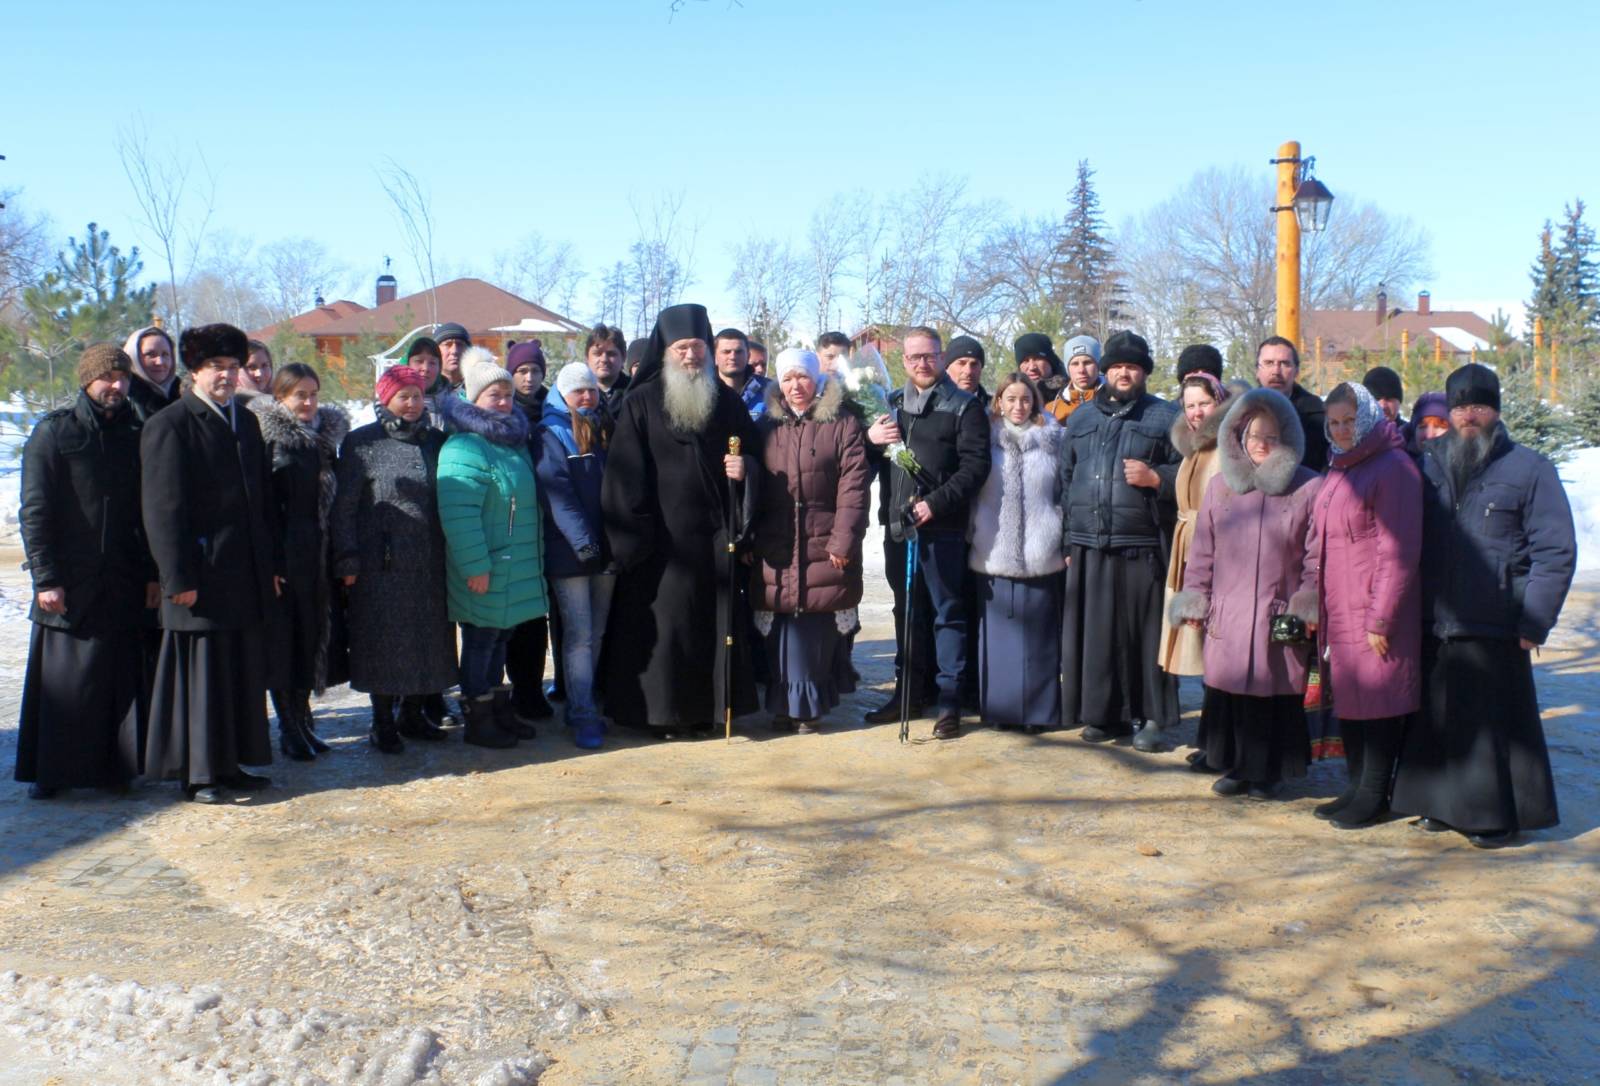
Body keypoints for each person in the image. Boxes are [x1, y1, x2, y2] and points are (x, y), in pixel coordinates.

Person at [1390, 364, 1576, 848]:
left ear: (1495, 409)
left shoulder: (1530, 468)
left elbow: (1555, 551)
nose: (1468, 415)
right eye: (1459, 406)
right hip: (1435, 617)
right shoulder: (1426, 462)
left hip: (1496, 619)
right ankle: (1436, 805)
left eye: (1478, 406)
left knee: (1491, 729)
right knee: (1437, 719)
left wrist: (1536, 619)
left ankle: (1492, 816)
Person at [601, 303, 760, 738]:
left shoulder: (726, 402)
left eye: (697, 347)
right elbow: (623, 476)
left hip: (712, 542)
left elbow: (756, 455)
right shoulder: (639, 403)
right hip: (659, 545)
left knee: (706, 629)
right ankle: (661, 716)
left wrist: (746, 468)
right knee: (666, 634)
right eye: (681, 348)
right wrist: (635, 537)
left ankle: (704, 712)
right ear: (666, 351)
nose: (691, 355)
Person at [141, 324, 280, 804]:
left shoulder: (247, 422)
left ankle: (231, 762)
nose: (226, 376)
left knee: (238, 674)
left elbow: (260, 501)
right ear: (195, 372)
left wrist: (270, 565)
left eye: (232, 367)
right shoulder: (171, 424)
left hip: (243, 575)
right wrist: (178, 577)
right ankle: (199, 773)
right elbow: (162, 510)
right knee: (203, 681)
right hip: (200, 577)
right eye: (215, 368)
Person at [15, 344, 156, 798]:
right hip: (69, 583)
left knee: (116, 681)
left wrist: (151, 574)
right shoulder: (54, 433)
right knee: (66, 685)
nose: (116, 386)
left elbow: (148, 512)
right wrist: (46, 579)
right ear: (86, 380)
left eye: (122, 378)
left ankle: (115, 770)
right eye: (107, 378)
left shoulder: (136, 433)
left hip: (122, 579)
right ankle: (52, 773)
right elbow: (35, 511)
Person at [1170, 387, 1320, 798]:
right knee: (1230, 691)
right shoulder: (1221, 487)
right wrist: (1195, 598)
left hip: (1278, 612)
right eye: (1255, 437)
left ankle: (1269, 771)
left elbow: (1315, 556)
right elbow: (1203, 550)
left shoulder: (1308, 488)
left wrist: (1307, 607)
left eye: (1272, 439)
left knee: (1273, 692)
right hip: (1229, 611)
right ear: (1238, 436)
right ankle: (1235, 765)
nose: (1262, 447)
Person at [862, 325, 991, 739]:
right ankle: (907, 694)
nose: (922, 363)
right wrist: (870, 439)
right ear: (903, 361)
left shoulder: (963, 406)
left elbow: (976, 468)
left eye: (929, 356)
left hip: (943, 529)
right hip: (900, 527)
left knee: (947, 615)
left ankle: (948, 701)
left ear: (940, 357)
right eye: (914, 357)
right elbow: (869, 466)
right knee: (906, 613)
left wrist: (934, 504)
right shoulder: (891, 406)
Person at [1058, 331, 1181, 752]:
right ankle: (1105, 714)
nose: (1123, 372)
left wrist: (1157, 479)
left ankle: (1151, 717)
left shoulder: (1165, 417)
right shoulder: (1081, 419)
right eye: (1116, 366)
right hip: (1089, 542)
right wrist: (1066, 542)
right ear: (1105, 371)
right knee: (1099, 635)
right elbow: (1065, 481)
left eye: (1132, 366)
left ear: (1143, 371)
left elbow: (1190, 474)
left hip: (1142, 541)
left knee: (1145, 636)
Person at [1308, 381, 1422, 828]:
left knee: (1380, 704)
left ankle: (1375, 794)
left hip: (1376, 611)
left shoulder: (1393, 468)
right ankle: (1355, 787)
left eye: (1348, 421)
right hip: (1341, 605)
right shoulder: (1341, 466)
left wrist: (1382, 616)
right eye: (1333, 422)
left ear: (1370, 416)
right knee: (1353, 703)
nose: (1339, 430)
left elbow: (1399, 551)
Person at [332, 365, 458, 753]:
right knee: (383, 643)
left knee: (428, 639)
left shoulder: (436, 441)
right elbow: (344, 508)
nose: (412, 404)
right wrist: (347, 558)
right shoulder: (361, 443)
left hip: (431, 560)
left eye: (418, 396)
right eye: (403, 396)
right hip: (381, 563)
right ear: (385, 399)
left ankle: (414, 713)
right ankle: (382, 721)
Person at [750, 348, 870, 733]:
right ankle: (782, 703)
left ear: (816, 380)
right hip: (777, 543)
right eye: (787, 379)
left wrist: (843, 541)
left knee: (813, 627)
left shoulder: (843, 423)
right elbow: (755, 487)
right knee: (780, 626)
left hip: (823, 543)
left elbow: (854, 488)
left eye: (802, 377)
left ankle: (808, 706)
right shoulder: (765, 427)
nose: (794, 386)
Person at [435, 348, 550, 748]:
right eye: (493, 396)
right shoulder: (464, 446)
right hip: (486, 565)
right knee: (482, 642)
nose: (502, 402)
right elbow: (459, 515)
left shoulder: (510, 442)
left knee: (501, 639)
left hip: (512, 562)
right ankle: (477, 718)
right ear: (473, 398)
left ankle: (499, 710)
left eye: (506, 395)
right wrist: (475, 566)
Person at [248, 363, 351, 761]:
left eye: (313, 394)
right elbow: (263, 508)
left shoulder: (323, 441)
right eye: (299, 395)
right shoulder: (269, 441)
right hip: (286, 557)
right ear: (280, 399)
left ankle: (304, 720)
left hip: (318, 555)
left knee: (311, 638)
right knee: (284, 643)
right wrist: (272, 562)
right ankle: (289, 727)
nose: (307, 402)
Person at [967, 372, 1065, 733]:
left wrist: (1059, 529)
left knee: (1039, 639)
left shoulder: (1055, 439)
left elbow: (1063, 491)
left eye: (1025, 399)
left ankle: (1039, 713)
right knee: (999, 639)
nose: (1018, 406)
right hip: (993, 549)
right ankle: (1001, 710)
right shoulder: (985, 440)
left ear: (1035, 402)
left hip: (1042, 551)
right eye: (1010, 399)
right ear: (998, 402)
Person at [536, 363, 616, 750]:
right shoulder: (550, 433)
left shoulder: (603, 428)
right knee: (579, 635)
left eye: (591, 391)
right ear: (562, 395)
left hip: (605, 550)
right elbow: (558, 495)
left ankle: (585, 703)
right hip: (571, 553)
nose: (586, 397)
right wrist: (585, 543)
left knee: (597, 632)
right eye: (578, 391)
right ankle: (582, 712)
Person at [1157, 372, 1231, 752]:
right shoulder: (1194, 447)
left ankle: (1218, 741)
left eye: (1204, 403)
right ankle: (1211, 739)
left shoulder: (1227, 447)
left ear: (1219, 402)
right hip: (1188, 550)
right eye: (1190, 405)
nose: (1197, 411)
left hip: (1216, 556)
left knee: (1216, 649)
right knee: (1202, 649)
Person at [504, 339, 557, 726]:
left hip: (552, 522)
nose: (528, 378)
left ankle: (535, 688)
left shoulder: (554, 410)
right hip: (516, 524)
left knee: (540, 616)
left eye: (534, 371)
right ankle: (516, 691)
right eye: (521, 371)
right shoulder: (505, 414)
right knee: (518, 615)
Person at [943, 334, 989, 709]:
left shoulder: (995, 406)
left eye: (974, 364)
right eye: (961, 362)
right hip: (946, 517)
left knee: (973, 605)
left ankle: (973, 684)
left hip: (987, 523)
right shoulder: (937, 403)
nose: (968, 369)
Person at [1255, 336, 1327, 472]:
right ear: (1257, 371)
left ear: (1296, 371)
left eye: (1284, 364)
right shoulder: (1241, 413)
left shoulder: (1318, 415)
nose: (1276, 371)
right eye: (1269, 363)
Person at [122, 324, 181, 423]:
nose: (160, 362)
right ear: (133, 357)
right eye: (150, 354)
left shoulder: (185, 396)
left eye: (165, 354)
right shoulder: (123, 399)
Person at [714, 327, 772, 421]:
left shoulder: (770, 391)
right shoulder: (703, 393)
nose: (732, 357)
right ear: (715, 357)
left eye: (738, 352)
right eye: (726, 352)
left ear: (748, 356)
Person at [1044, 335, 1102, 424]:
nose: (1081, 370)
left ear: (1098, 365)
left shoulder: (1113, 401)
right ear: (1068, 368)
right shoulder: (1051, 410)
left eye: (1087, 362)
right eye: (1075, 364)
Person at [1013, 332, 1069, 411]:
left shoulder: (1070, 394)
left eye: (1037, 359)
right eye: (1026, 361)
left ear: (1050, 362)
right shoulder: (1012, 400)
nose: (1032, 367)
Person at [586, 324, 631, 415]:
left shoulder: (635, 392)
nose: (604, 360)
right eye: (598, 353)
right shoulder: (578, 394)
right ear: (587, 358)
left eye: (611, 354)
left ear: (623, 357)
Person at [943, 335, 988, 406]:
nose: (968, 371)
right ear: (947, 367)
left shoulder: (995, 410)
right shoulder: (930, 407)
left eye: (974, 364)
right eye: (961, 363)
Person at [1406, 391, 1449, 456]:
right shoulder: (1400, 463)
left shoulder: (1466, 463)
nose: (1429, 435)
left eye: (1438, 426)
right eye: (1423, 426)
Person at [435, 322, 471, 392]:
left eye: (460, 345)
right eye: (448, 344)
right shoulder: (425, 390)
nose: (454, 351)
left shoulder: (480, 387)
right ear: (436, 350)